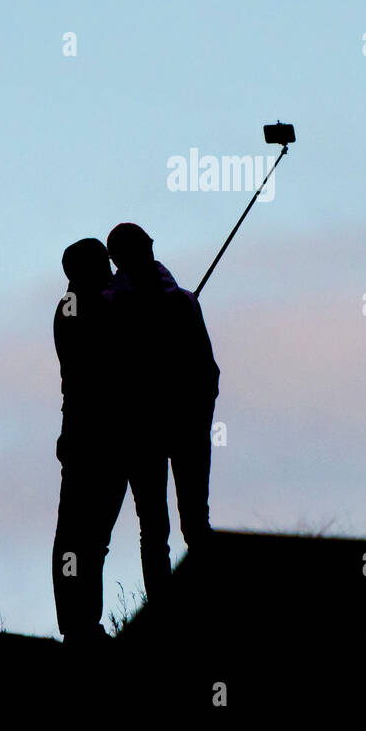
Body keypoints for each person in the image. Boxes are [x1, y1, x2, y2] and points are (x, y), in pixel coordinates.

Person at [51, 237, 172, 650]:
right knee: (81, 538)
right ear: (86, 268)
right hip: (93, 440)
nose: (110, 267)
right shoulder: (84, 309)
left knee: (86, 538)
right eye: (103, 261)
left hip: (96, 439)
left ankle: (82, 624)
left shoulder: (87, 305)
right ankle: (79, 625)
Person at [105, 223, 220, 553]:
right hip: (161, 429)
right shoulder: (180, 303)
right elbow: (208, 374)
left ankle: (171, 602)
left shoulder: (113, 307)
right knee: (175, 525)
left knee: (163, 527)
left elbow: (208, 374)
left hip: (155, 429)